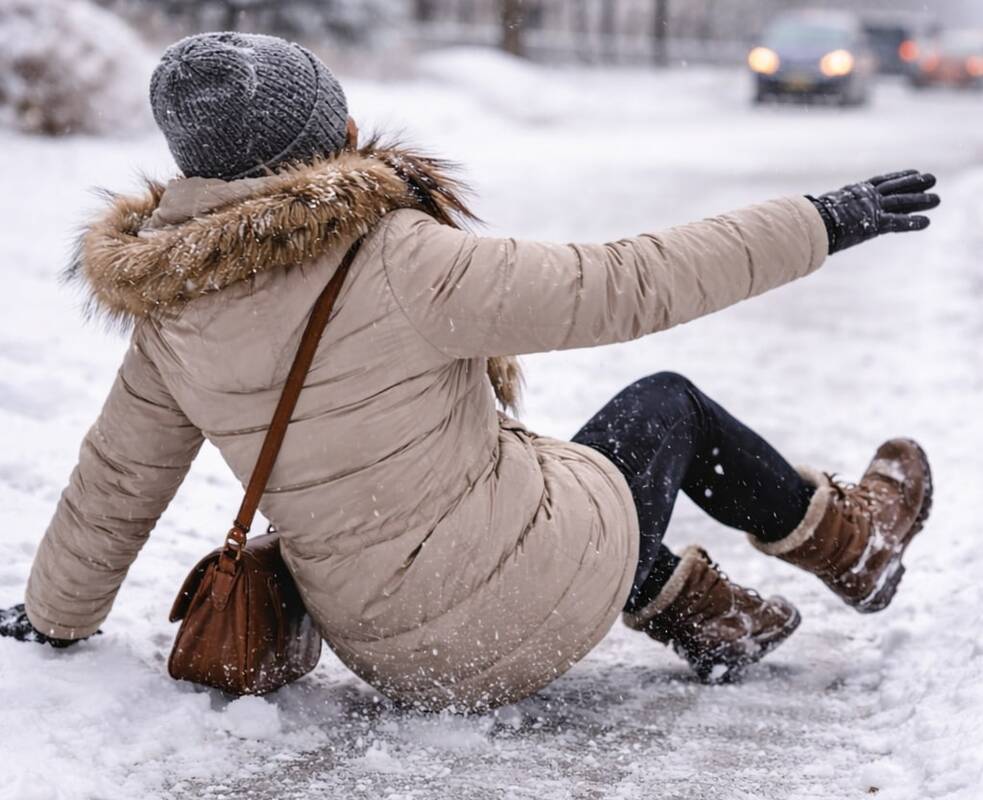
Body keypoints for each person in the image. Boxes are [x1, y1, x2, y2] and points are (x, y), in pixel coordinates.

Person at [0, 33, 939, 709]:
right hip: (512, 610)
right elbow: (627, 282)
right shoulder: (397, 257)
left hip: (389, 655)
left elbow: (114, 484)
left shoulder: (171, 310)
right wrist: (819, 221)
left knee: (541, 495)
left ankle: (711, 619)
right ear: (332, 134)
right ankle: (850, 543)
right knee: (665, 408)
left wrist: (52, 620)